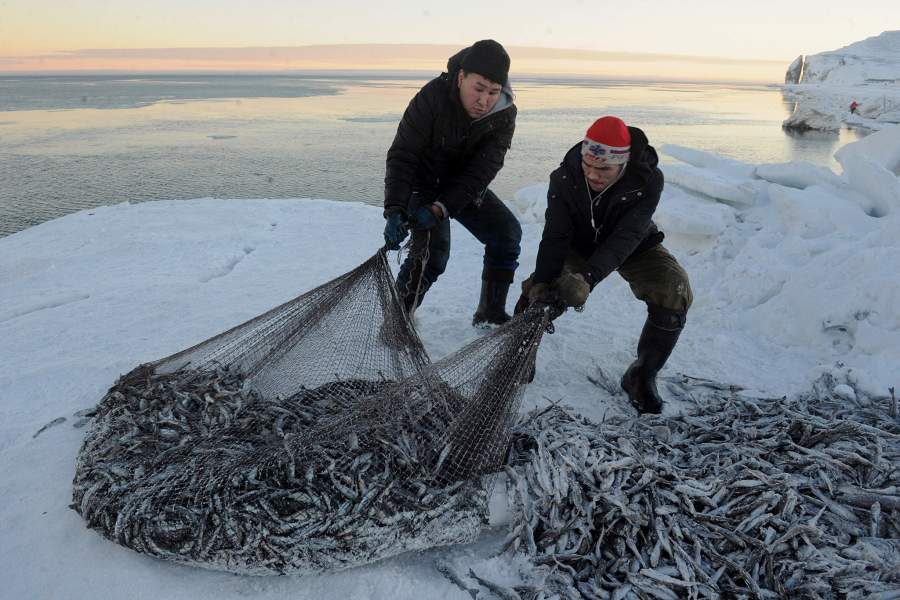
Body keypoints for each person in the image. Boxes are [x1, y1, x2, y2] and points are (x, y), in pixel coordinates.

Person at [517, 116, 693, 414]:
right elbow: (555, 235)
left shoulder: (649, 179)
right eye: (588, 166)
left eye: (604, 169)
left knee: (674, 288)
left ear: (622, 165)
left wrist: (587, 278)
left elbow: (628, 235)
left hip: (633, 245)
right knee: (538, 290)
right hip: (578, 243)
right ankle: (518, 360)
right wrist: (543, 282)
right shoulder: (563, 177)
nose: (593, 175)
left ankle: (641, 376)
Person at [382, 40, 522, 327]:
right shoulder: (432, 97)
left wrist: (441, 208)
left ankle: (489, 313)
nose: (484, 100)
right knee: (434, 256)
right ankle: (396, 322)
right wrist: (395, 208)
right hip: (423, 183)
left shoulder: (504, 114)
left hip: (463, 187)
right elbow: (403, 154)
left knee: (506, 235)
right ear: (461, 77)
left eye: (494, 92)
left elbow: (483, 171)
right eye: (479, 89)